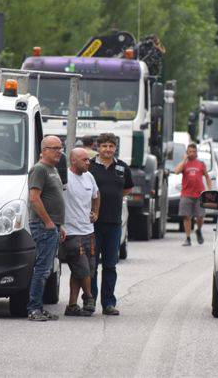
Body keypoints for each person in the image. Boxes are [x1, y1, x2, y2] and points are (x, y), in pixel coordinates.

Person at [88, 133, 133, 316]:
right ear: (98, 147)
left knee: (110, 265)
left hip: (114, 223)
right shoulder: (89, 165)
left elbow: (128, 188)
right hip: (92, 224)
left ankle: (108, 303)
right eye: (104, 146)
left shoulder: (122, 167)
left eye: (111, 146)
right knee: (91, 265)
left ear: (115, 148)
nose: (108, 149)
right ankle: (89, 301)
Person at [27, 136, 66, 321]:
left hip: (53, 226)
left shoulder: (53, 169)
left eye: (60, 147)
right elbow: (34, 198)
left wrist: (59, 225)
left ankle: (39, 307)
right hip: (43, 226)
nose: (59, 151)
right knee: (42, 269)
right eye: (54, 148)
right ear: (43, 150)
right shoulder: (39, 169)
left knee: (47, 269)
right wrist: (49, 222)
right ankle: (34, 309)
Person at [62, 148, 100, 316]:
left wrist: (95, 211)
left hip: (88, 230)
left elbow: (96, 195)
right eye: (84, 160)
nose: (88, 162)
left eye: (88, 159)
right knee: (82, 268)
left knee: (86, 270)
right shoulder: (64, 178)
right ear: (73, 161)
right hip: (70, 232)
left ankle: (71, 305)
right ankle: (89, 297)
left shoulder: (89, 177)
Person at [174, 143, 212, 246]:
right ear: (187, 152)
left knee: (200, 216)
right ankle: (188, 238)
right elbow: (176, 171)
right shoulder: (184, 164)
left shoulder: (201, 164)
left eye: (194, 152)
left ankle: (198, 230)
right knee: (186, 216)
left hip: (199, 194)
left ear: (196, 153)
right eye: (190, 152)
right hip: (186, 194)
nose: (192, 154)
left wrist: (209, 189)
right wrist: (184, 160)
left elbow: (207, 177)